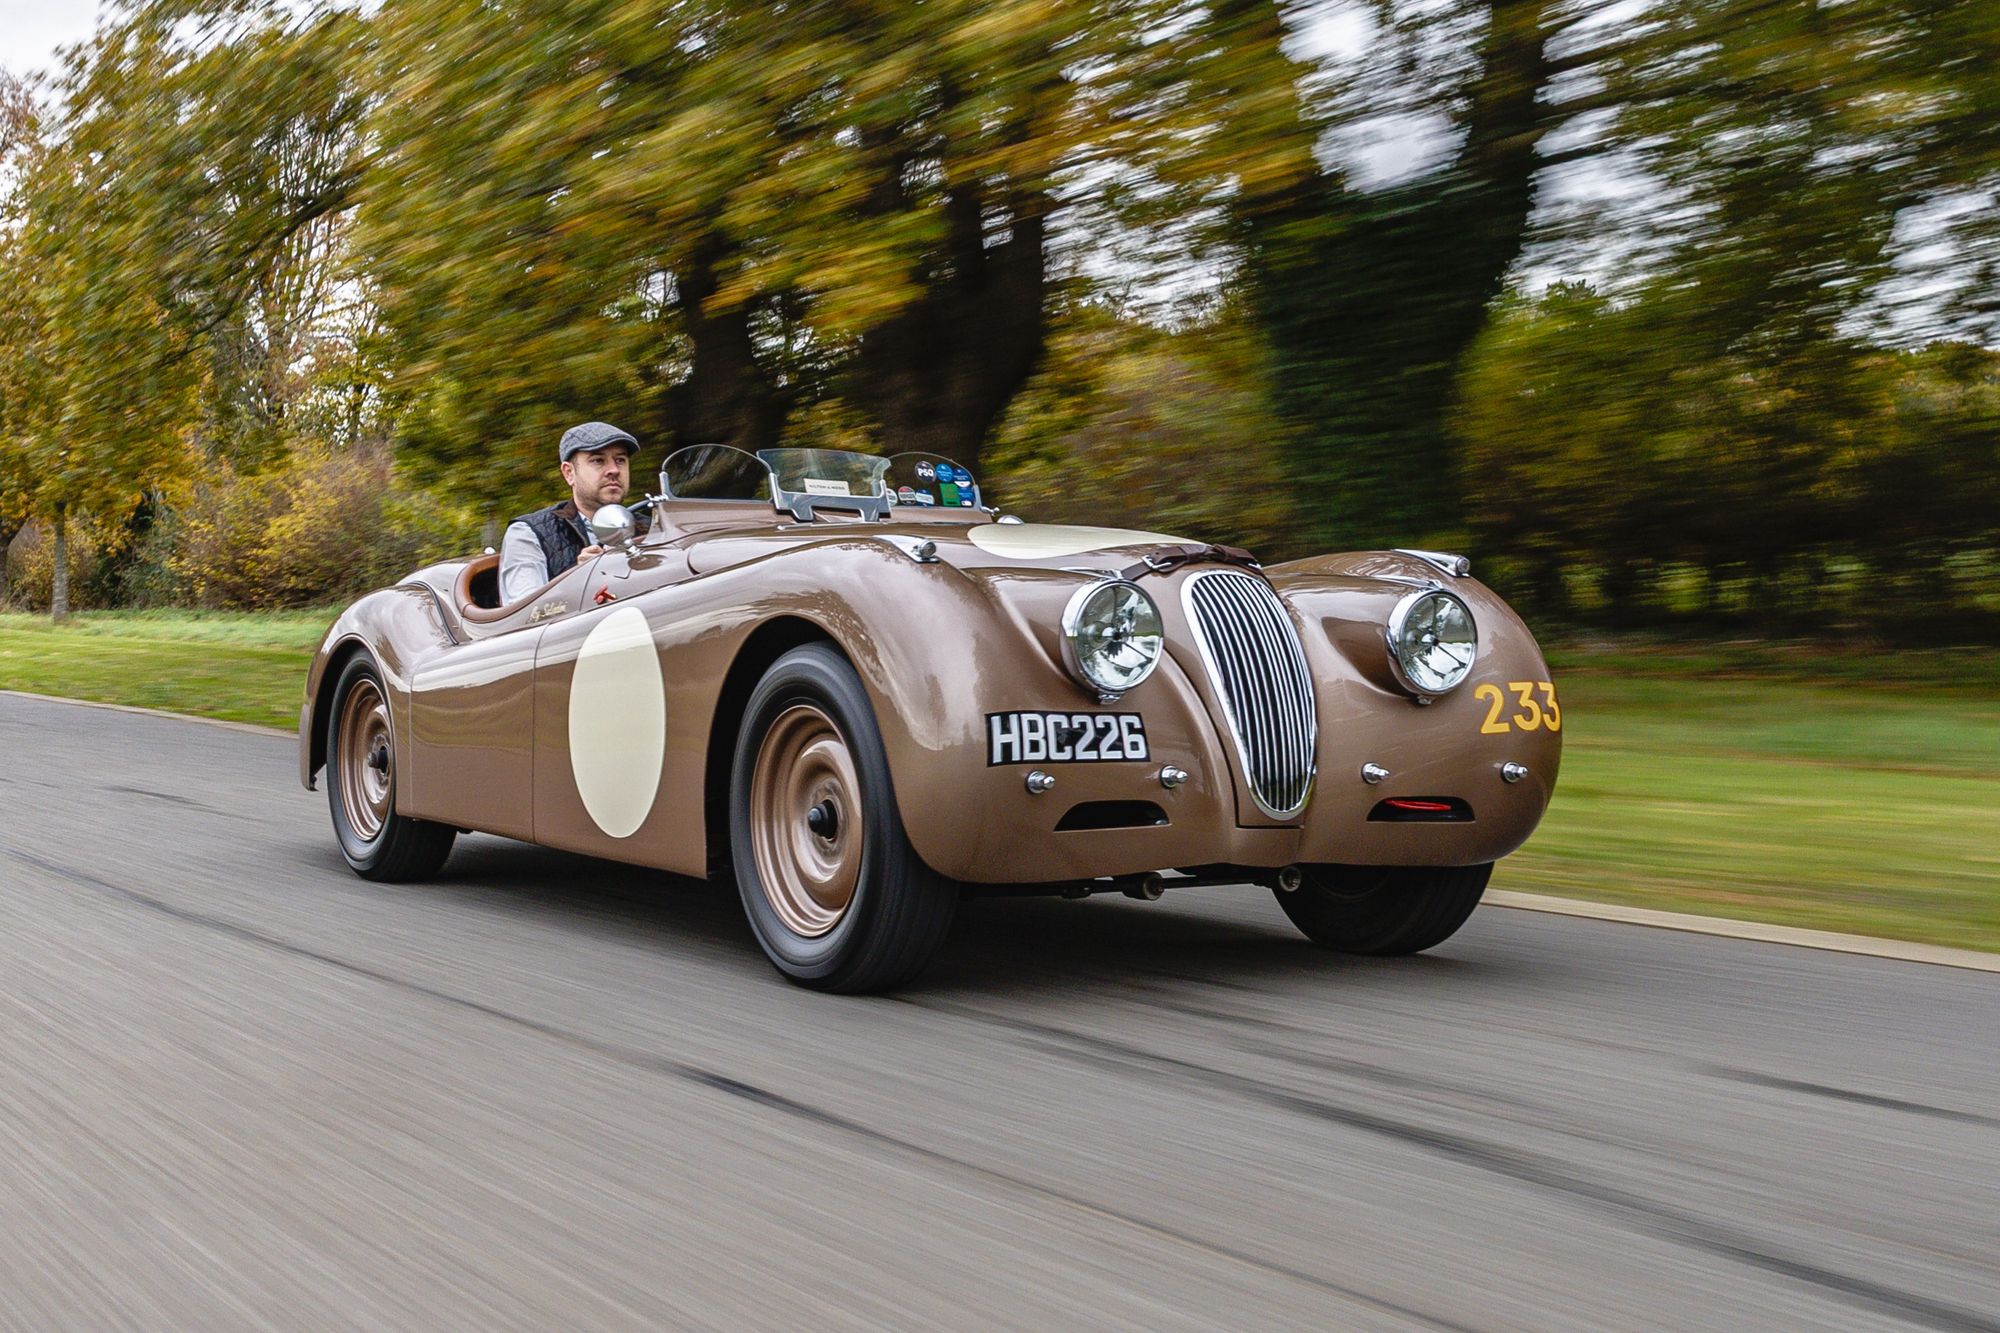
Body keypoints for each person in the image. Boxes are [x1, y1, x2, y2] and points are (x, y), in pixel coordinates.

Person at [499, 421, 640, 605]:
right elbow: (525, 617)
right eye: (598, 460)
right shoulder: (528, 533)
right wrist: (577, 581)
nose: (613, 470)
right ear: (569, 473)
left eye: (620, 460)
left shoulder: (653, 526)